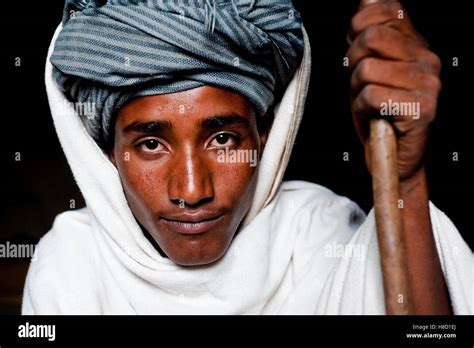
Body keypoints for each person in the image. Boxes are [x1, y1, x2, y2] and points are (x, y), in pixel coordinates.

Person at [22, 0, 472, 314]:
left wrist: (406, 183)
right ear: (108, 157)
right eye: (151, 145)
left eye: (222, 140)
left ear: (267, 140)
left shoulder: (322, 235)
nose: (192, 191)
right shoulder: (73, 263)